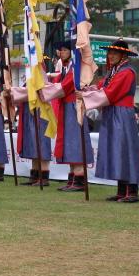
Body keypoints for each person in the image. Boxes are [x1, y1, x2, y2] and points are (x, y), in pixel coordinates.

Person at [80, 40, 139, 203]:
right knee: (117, 150)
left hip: (122, 114)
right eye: (110, 52)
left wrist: (86, 96)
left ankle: (132, 191)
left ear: (123, 54)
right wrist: (86, 89)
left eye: (114, 53)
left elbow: (110, 93)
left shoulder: (127, 72)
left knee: (125, 149)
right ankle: (122, 190)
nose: (111, 55)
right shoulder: (113, 72)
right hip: (112, 113)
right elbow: (101, 87)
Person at [45, 41, 93, 192]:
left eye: (65, 50)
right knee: (69, 142)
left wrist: (43, 91)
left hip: (74, 107)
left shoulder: (75, 68)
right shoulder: (67, 69)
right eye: (61, 50)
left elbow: (65, 87)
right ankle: (73, 177)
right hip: (67, 107)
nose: (61, 52)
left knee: (75, 141)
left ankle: (79, 179)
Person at [8, 85, 51, 187]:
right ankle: (35, 174)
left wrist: (13, 90)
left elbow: (34, 90)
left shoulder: (39, 74)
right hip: (30, 110)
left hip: (40, 110)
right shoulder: (30, 77)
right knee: (33, 143)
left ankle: (43, 176)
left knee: (41, 142)